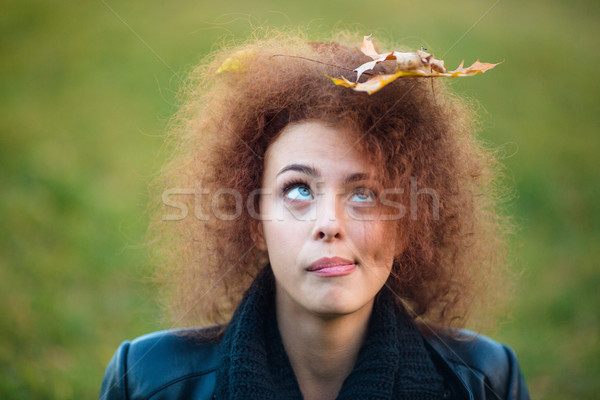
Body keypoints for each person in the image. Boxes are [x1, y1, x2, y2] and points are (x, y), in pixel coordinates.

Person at [100, 31, 530, 399]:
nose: (330, 223)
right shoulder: (146, 380)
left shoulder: (486, 381)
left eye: (364, 194)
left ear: (406, 226)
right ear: (255, 222)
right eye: (299, 189)